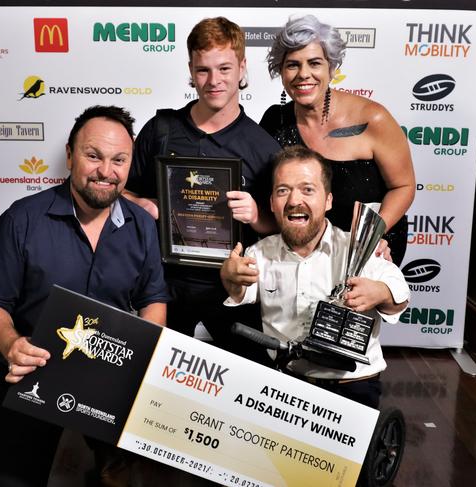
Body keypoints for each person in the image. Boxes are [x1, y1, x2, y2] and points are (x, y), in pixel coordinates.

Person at [0, 105, 169, 486]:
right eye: (93, 156)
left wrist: (145, 354)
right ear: (70, 155)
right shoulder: (22, 219)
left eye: (118, 160)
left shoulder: (142, 225)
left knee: (128, 477)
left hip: (110, 374)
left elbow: (152, 299)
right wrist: (12, 345)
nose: (105, 171)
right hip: (30, 369)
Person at [125, 17, 281, 356]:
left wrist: (257, 215)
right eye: (203, 70)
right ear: (191, 69)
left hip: (233, 287)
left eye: (224, 68)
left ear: (242, 67)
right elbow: (121, 193)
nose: (214, 81)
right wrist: (146, 206)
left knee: (246, 385)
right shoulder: (161, 130)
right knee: (152, 378)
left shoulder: (264, 148)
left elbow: (282, 229)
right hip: (164, 283)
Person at [220, 146, 410, 409]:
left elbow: (399, 298)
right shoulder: (259, 253)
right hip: (285, 385)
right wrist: (230, 276)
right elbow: (242, 290)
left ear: (328, 200)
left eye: (307, 189)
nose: (295, 200)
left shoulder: (359, 249)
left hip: (352, 385)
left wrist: (380, 292)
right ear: (272, 202)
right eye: (283, 190)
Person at [259, 15, 415, 266]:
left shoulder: (373, 118)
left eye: (314, 63)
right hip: (302, 253)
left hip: (367, 252)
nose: (304, 74)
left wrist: (371, 236)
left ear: (331, 67)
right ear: (280, 71)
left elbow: (404, 187)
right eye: (292, 65)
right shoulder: (273, 121)